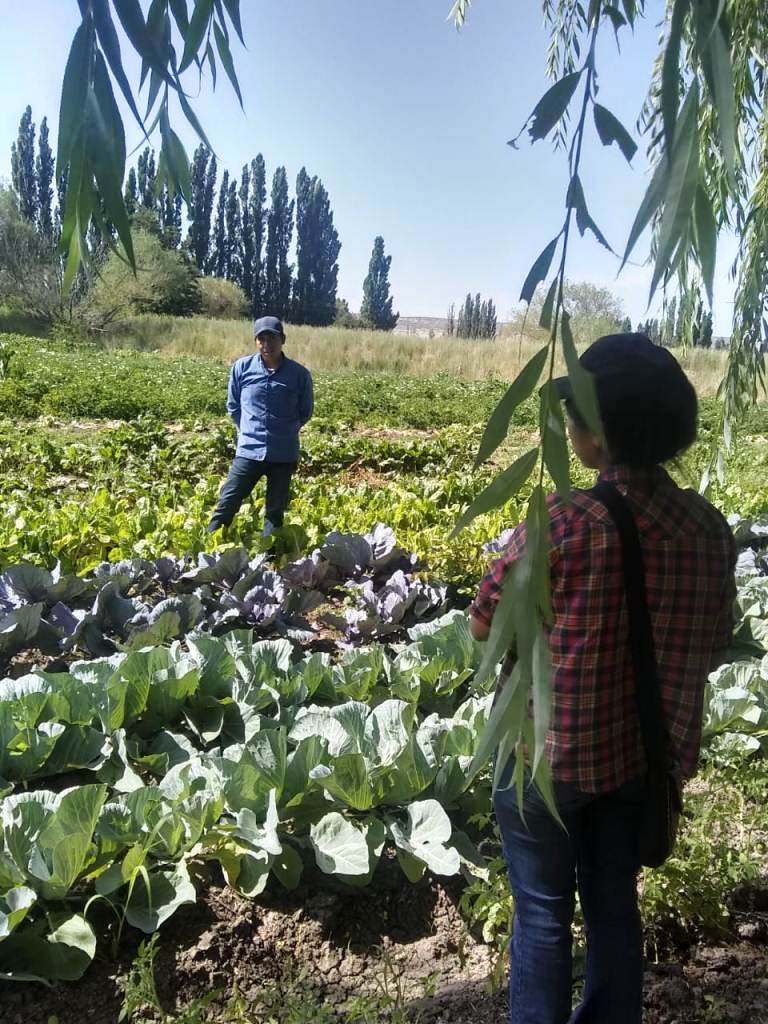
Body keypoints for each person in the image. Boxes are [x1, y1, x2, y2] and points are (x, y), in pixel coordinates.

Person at [469, 334, 736, 1024]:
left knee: (543, 915)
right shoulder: (709, 530)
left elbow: (484, 622)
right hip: (637, 764)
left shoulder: (562, 522)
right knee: (614, 901)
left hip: (543, 758)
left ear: (598, 434)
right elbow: (711, 646)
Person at [208, 316, 314, 537]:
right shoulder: (242, 368)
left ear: (282, 339)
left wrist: (283, 431)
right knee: (228, 501)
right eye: (262, 339)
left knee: (275, 512)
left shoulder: (299, 375)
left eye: (272, 338)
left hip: (283, 454)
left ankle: (269, 559)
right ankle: (208, 548)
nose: (267, 344)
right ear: (256, 341)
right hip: (249, 450)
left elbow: (305, 412)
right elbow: (233, 406)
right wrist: (249, 430)